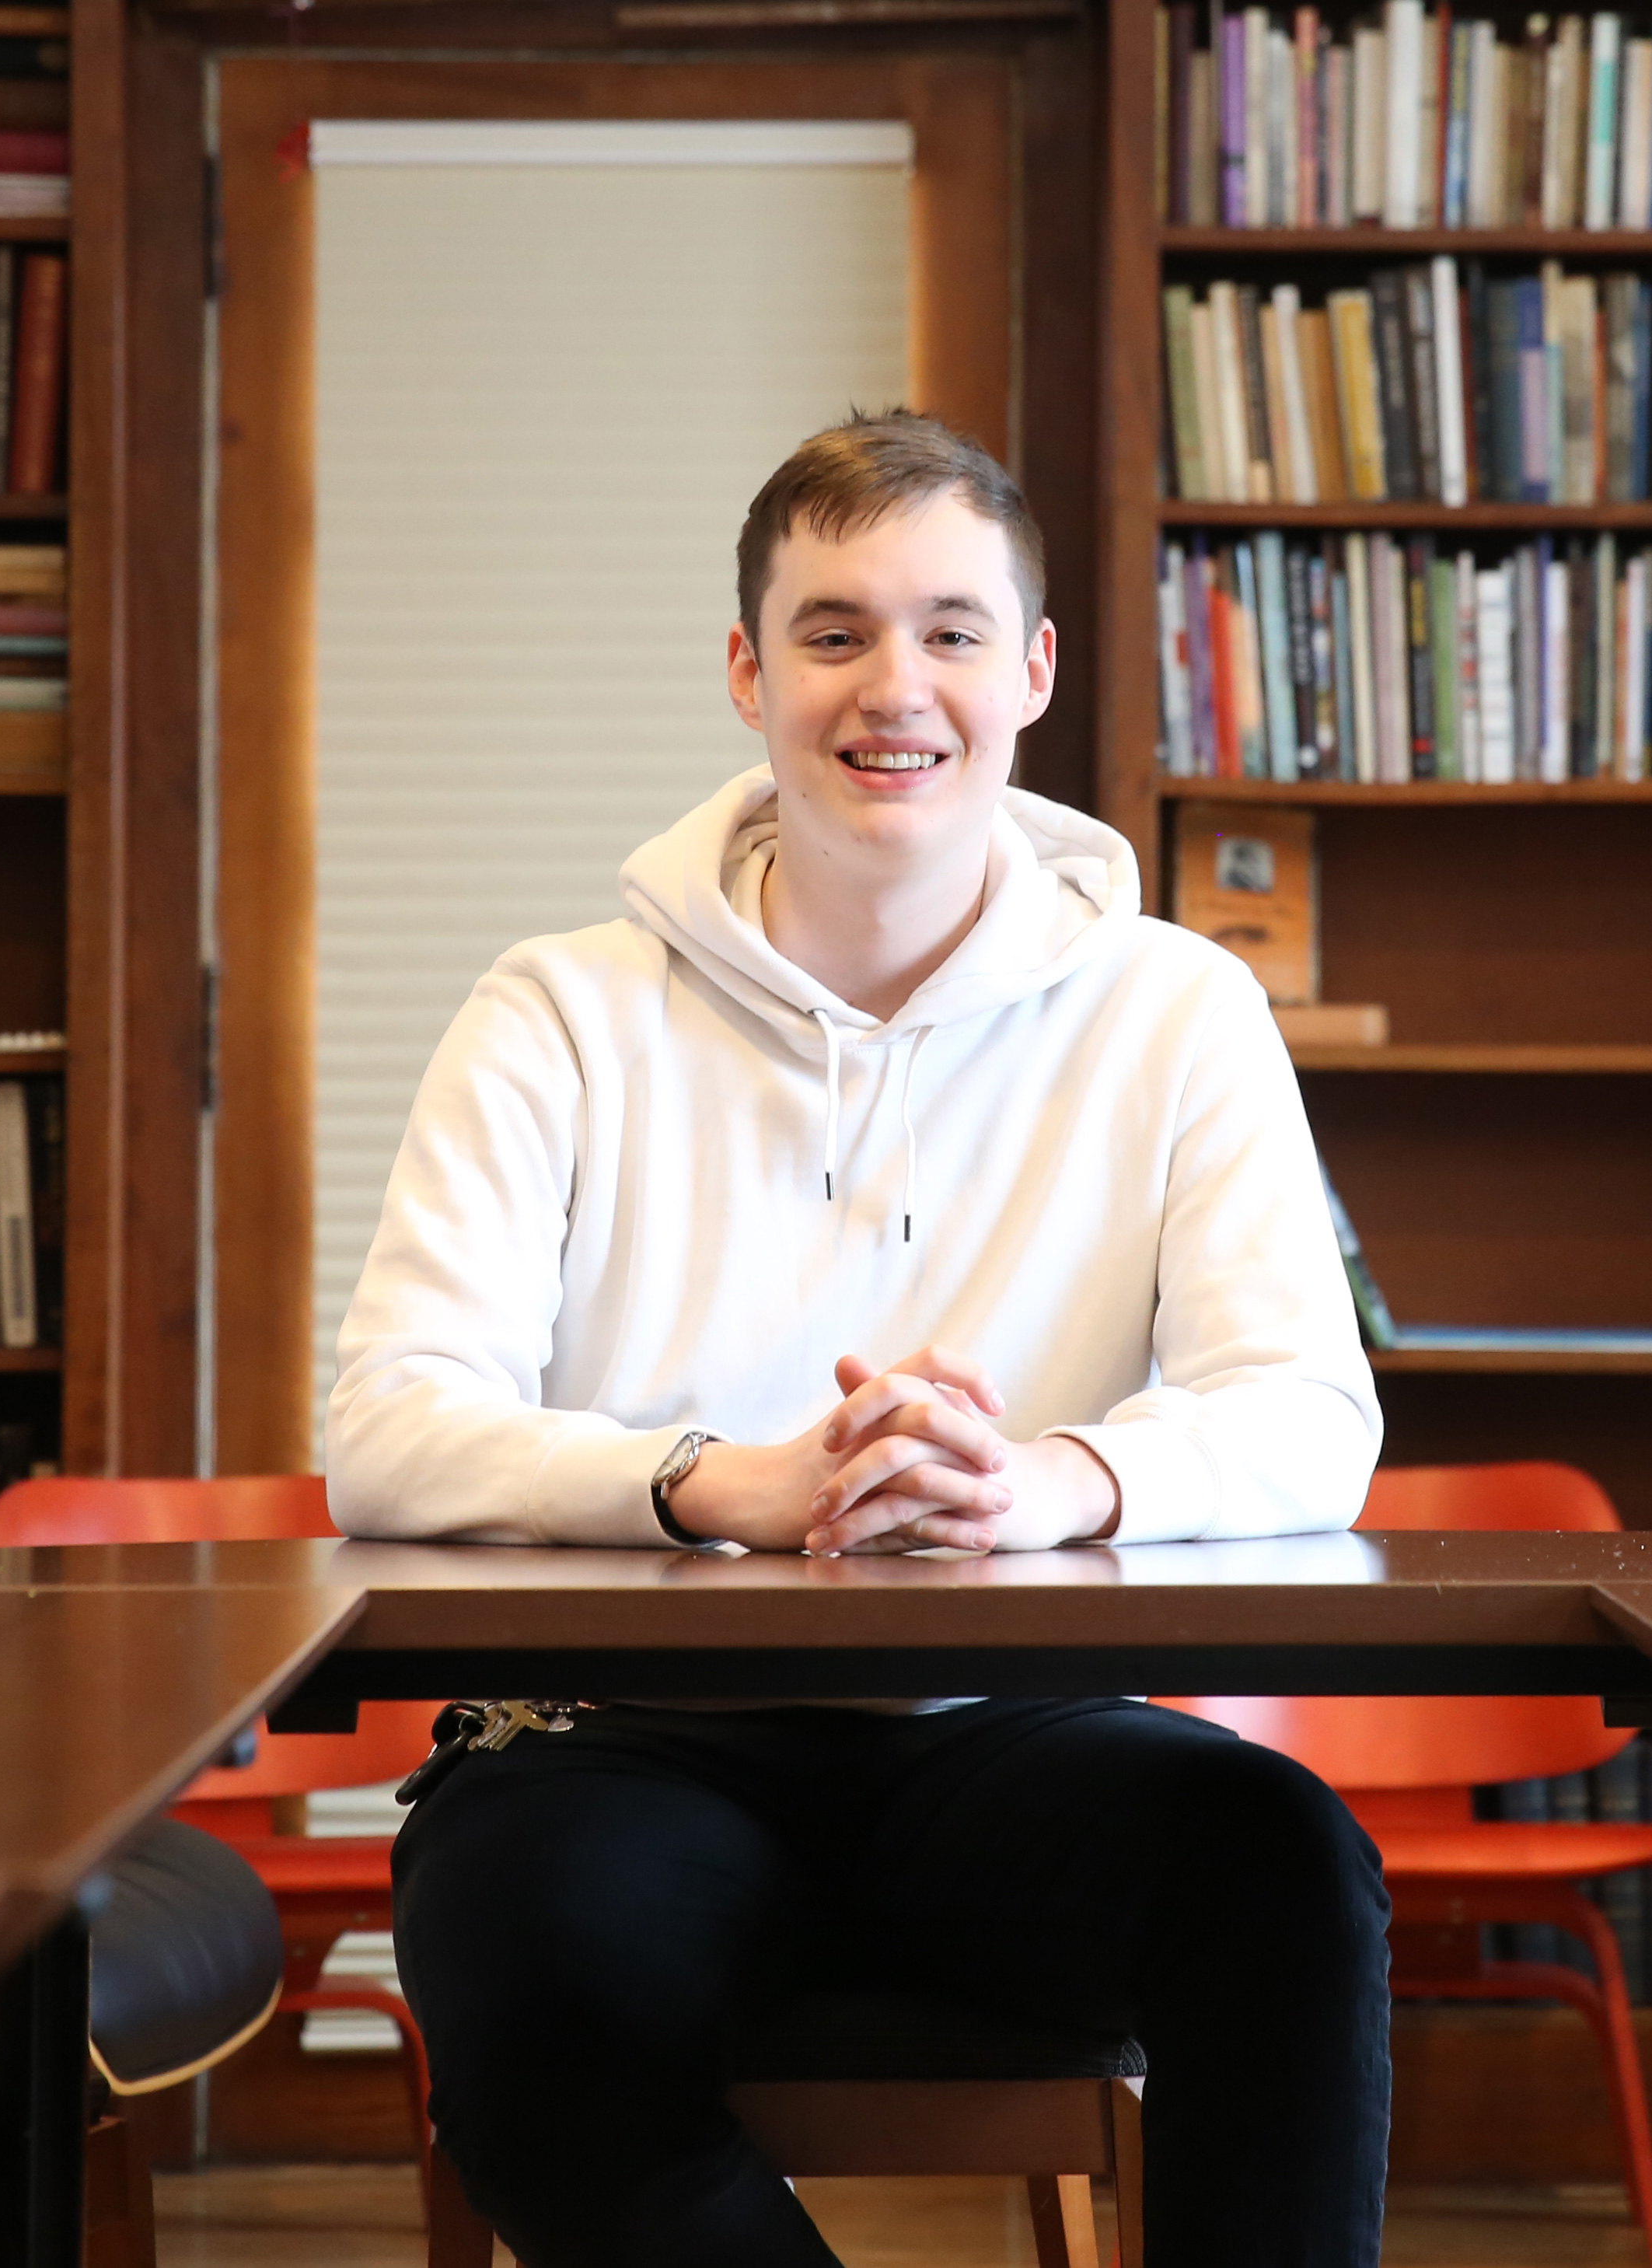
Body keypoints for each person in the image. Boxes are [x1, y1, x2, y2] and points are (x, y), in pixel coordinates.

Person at [327, 411, 1391, 2265]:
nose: (895, 685)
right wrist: (721, 1483)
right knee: (535, 1967)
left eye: (953, 629)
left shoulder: (1177, 1010)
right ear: (747, 668)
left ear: (1033, 669)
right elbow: (391, 1427)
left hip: (1017, 1729)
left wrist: (1048, 1483)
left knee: (1279, 1868)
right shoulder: (558, 1008)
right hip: (614, 1741)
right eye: (832, 631)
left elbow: (1308, 1412)